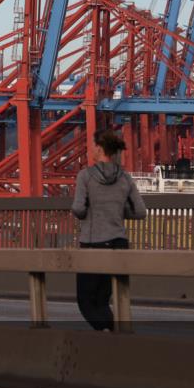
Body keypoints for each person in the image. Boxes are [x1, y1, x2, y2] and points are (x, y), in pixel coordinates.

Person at [70, 129, 147, 331]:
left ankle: (111, 331)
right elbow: (140, 212)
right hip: (119, 243)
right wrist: (117, 212)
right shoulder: (125, 178)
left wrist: (88, 212)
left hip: (93, 243)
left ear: (99, 148)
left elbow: (78, 208)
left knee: (86, 300)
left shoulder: (85, 176)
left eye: (92, 145)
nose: (90, 149)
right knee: (102, 300)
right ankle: (115, 334)